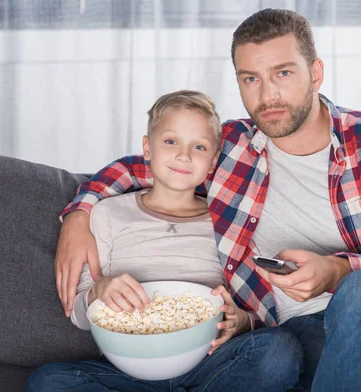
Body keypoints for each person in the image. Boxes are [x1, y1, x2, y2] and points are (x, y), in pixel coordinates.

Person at [54, 9, 361, 391]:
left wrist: (338, 271)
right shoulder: (231, 146)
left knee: (358, 294)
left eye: (282, 72)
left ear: (315, 72)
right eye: (250, 79)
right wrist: (80, 212)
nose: (268, 94)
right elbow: (150, 164)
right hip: (301, 332)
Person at [27, 90, 303, 392]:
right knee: (47, 382)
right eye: (170, 141)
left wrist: (242, 321)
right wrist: (99, 290)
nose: (184, 155)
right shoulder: (107, 213)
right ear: (147, 148)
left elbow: (250, 305)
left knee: (280, 349)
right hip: (129, 370)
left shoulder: (227, 223)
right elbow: (80, 313)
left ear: (212, 164)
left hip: (208, 363)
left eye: (198, 147)